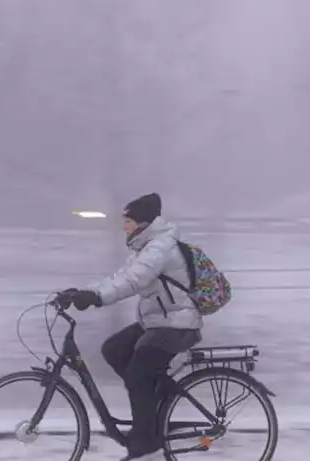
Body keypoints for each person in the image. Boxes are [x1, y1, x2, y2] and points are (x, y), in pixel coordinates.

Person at [55, 192, 201, 461]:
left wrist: (97, 298)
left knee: (137, 374)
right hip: (160, 322)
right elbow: (118, 277)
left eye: (129, 221)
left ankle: (146, 444)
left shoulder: (159, 248)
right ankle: (158, 398)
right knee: (114, 349)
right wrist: (83, 291)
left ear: (143, 223)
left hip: (177, 325)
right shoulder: (145, 246)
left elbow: (132, 281)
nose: (124, 226)